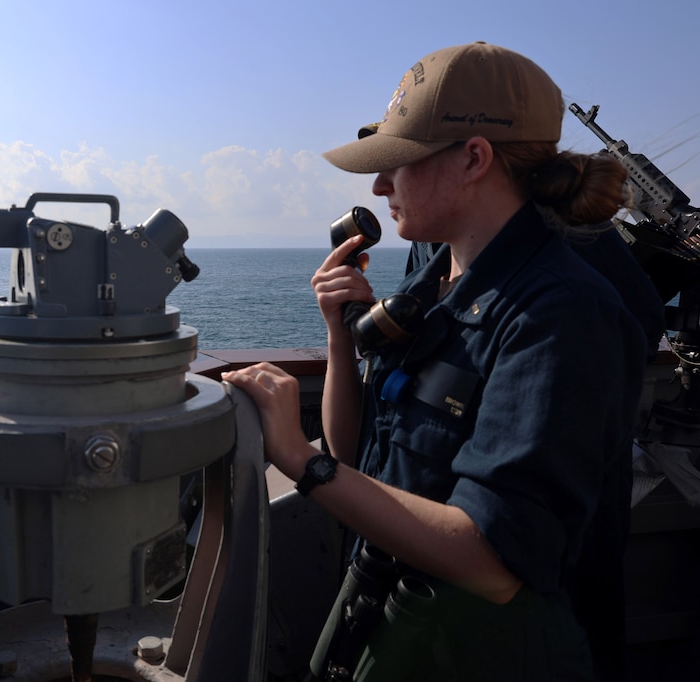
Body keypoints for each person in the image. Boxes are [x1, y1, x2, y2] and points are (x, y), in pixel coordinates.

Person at [222, 42, 649, 681]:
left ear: (475, 158)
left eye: (400, 162)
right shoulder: (435, 280)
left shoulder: (560, 314)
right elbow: (357, 454)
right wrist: (340, 337)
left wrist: (298, 459)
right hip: (394, 628)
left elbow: (492, 562)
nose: (378, 185)